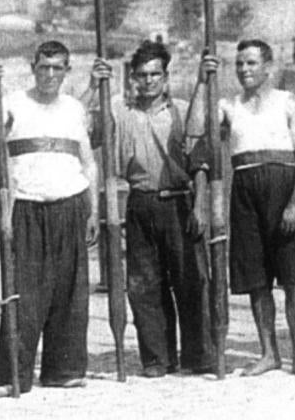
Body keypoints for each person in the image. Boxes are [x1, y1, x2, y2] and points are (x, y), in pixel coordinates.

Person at [0, 42, 98, 396]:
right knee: (23, 292)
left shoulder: (73, 108)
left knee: (70, 292)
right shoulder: (13, 101)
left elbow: (88, 162)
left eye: (58, 68)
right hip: (27, 207)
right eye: (44, 67)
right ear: (33, 67)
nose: (51, 75)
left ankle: (63, 369)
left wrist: (94, 211)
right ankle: (10, 374)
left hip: (70, 205)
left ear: (67, 71)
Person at [189, 39, 295, 378]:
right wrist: (203, 80)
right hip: (245, 191)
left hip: (284, 187)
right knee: (257, 281)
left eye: (251, 63)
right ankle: (268, 353)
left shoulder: (287, 102)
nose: (245, 70)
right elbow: (194, 132)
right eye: (240, 64)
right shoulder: (230, 105)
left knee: (294, 280)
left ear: (268, 66)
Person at [91, 41, 212, 377]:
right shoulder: (119, 109)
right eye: (142, 75)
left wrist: (200, 205)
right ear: (133, 78)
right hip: (141, 201)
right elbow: (94, 133)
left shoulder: (183, 110)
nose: (148, 81)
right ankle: (158, 357)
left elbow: (201, 162)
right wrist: (94, 85)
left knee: (191, 280)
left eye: (155, 74)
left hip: (179, 201)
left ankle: (199, 354)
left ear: (165, 76)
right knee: (144, 285)